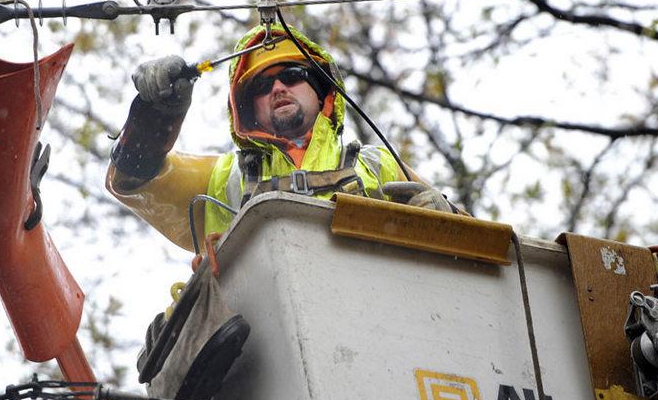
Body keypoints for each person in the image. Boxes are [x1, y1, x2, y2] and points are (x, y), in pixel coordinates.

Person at [106, 23, 461, 253]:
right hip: (264, 348)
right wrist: (158, 112)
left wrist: (445, 221)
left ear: (323, 92)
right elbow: (133, 179)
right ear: (247, 109)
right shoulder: (221, 179)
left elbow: (482, 247)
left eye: (292, 75)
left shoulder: (375, 164)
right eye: (261, 86)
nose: (277, 88)